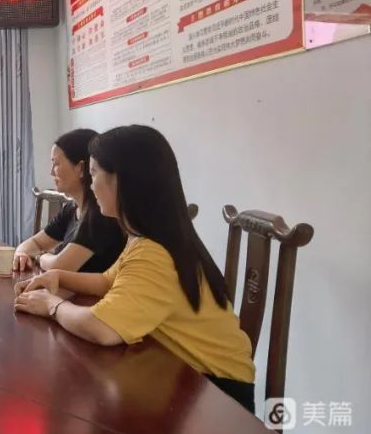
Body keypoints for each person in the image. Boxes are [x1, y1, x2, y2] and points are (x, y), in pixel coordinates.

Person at [13, 125, 255, 412]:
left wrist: (51, 306)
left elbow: (101, 328)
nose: (91, 185)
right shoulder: (146, 238)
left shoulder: (155, 252)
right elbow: (107, 281)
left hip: (218, 396)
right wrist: (58, 277)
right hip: (183, 378)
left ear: (122, 181)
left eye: (94, 174)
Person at [12, 129, 125, 273]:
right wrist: (22, 254)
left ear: (81, 168)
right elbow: (34, 242)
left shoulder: (99, 215)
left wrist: (40, 256)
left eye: (56, 164)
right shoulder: (72, 208)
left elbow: (60, 266)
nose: (51, 172)